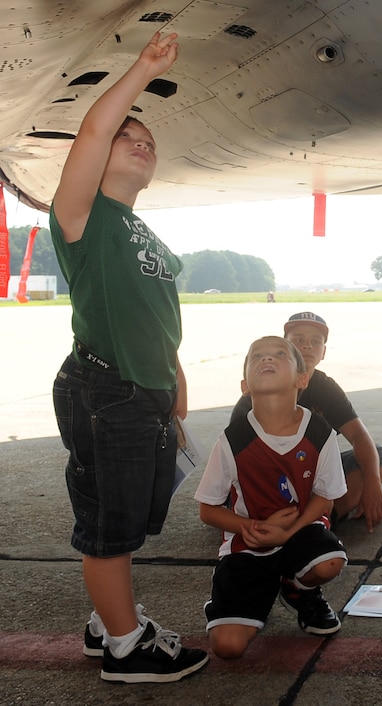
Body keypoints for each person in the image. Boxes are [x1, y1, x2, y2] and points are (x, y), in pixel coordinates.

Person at [48, 32, 209, 683]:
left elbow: (158, 320)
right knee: (108, 529)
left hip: (142, 391)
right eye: (129, 136)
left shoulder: (141, 228)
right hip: (105, 387)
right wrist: (142, 70)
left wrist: (174, 386)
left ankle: (104, 620)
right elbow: (91, 134)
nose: (142, 143)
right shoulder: (84, 215)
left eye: (150, 142)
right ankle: (124, 648)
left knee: (131, 518)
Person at [197, 336, 348, 659]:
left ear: (302, 378)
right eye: (257, 357)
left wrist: (287, 533)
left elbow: (325, 500)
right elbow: (208, 509)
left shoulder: (319, 432)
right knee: (228, 647)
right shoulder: (233, 440)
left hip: (299, 529)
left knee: (329, 562)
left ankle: (298, 588)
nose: (267, 359)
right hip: (250, 541)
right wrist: (249, 525)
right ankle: (235, 598)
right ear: (244, 385)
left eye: (280, 354)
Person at [231, 311, 382, 532]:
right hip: (266, 478)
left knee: (380, 457)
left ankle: (322, 516)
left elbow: (358, 436)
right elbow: (239, 462)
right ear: (285, 348)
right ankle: (321, 519)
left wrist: (373, 486)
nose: (307, 346)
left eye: (315, 341)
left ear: (324, 352)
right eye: (298, 340)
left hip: (310, 473)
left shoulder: (325, 387)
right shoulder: (265, 385)